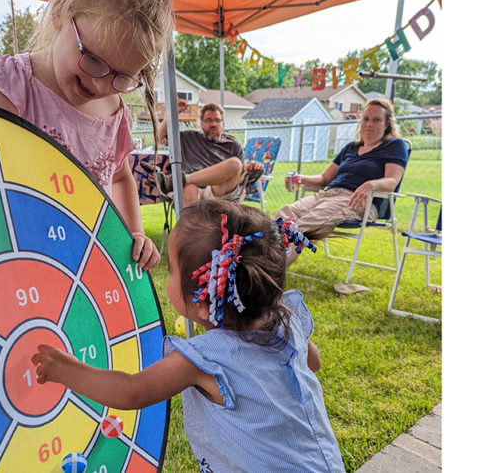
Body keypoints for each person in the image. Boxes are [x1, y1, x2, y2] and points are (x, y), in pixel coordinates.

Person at [32, 199, 346, 473]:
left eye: (171, 271)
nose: (166, 279)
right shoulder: (286, 321)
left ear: (203, 302)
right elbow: (312, 363)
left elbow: (130, 392)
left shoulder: (205, 358)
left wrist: (66, 370)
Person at [0, 0, 172, 271]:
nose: (99, 84)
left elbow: (120, 177)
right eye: (94, 59)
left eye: (122, 77)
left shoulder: (114, 111)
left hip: (81, 268)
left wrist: (136, 231)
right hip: (10, 262)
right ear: (60, 13)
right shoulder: (5, 90)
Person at [276, 98, 408, 266]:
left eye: (376, 120)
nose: (369, 124)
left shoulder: (394, 145)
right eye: (366, 119)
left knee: (308, 223)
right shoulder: (350, 148)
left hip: (358, 200)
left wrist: (370, 185)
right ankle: (260, 261)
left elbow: (392, 180)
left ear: (387, 124)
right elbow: (324, 179)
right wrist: (302, 179)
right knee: (285, 215)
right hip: (328, 195)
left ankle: (271, 271)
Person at [151, 100, 264, 206]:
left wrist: (251, 170)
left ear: (222, 124)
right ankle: (188, 226)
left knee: (235, 164)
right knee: (189, 190)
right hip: (192, 190)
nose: (213, 124)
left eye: (217, 120)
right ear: (201, 124)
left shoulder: (233, 145)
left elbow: (239, 179)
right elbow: (158, 139)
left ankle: (179, 179)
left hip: (219, 192)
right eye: (208, 120)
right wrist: (173, 112)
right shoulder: (188, 138)